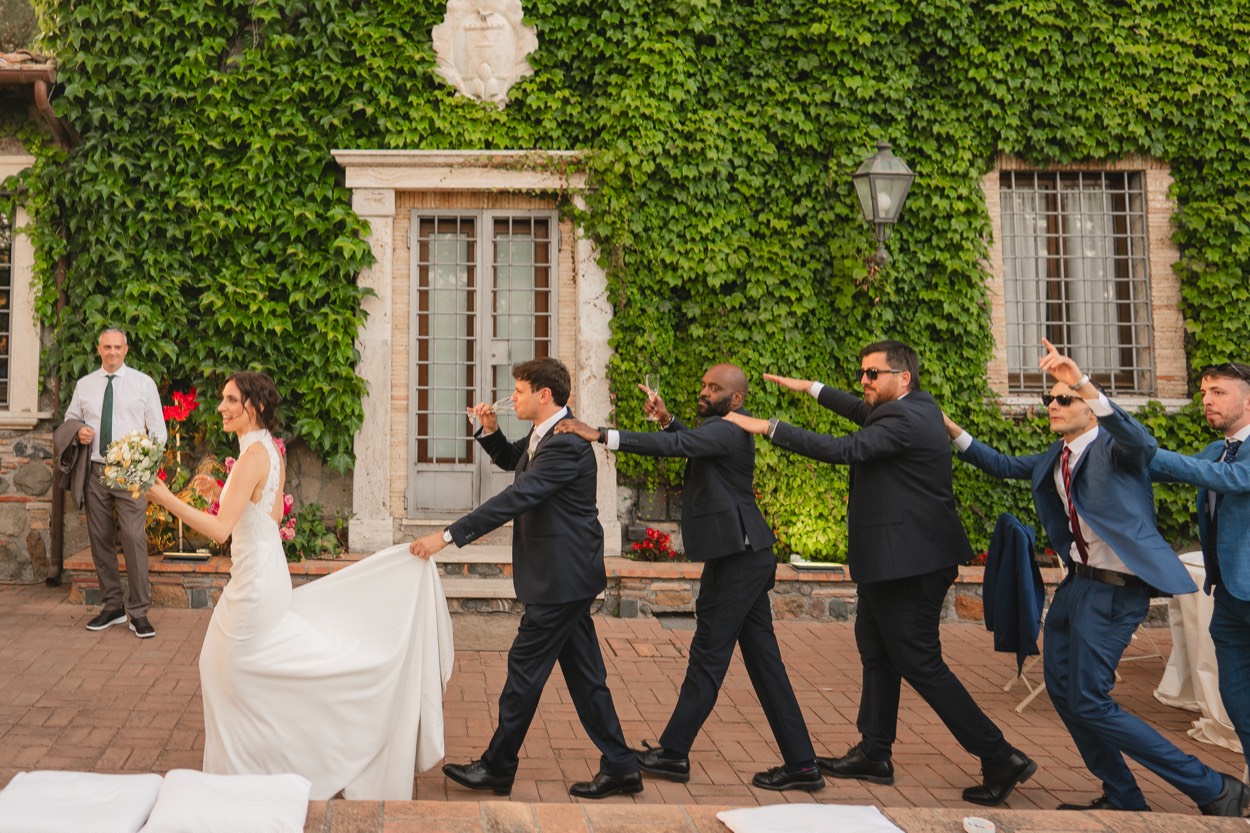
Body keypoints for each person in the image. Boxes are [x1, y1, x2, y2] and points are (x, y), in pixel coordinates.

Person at [722, 339, 1035, 807]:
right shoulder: (912, 407)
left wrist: (768, 426)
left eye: (873, 373)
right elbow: (859, 410)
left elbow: (843, 448)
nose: (864, 381)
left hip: (910, 566)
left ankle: (1000, 755)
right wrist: (811, 387)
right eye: (862, 372)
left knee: (919, 662)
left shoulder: (904, 419)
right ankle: (874, 752)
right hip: (893, 562)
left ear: (903, 377)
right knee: (876, 650)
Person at [944, 340, 1248, 816]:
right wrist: (950, 428)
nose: (1053, 405)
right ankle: (1122, 794)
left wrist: (1083, 381)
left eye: (1065, 398)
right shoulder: (1056, 455)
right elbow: (1000, 465)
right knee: (1065, 694)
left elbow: (1142, 444)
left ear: (1090, 407)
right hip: (1076, 586)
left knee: (1089, 698)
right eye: (1049, 398)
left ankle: (1213, 787)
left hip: (1115, 589)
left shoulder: (1118, 449)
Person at [147, 371, 453, 800]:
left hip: (255, 581)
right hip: (265, 570)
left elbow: (219, 530)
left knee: (227, 669)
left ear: (254, 406)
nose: (221, 408)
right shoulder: (270, 448)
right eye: (223, 399)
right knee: (235, 671)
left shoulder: (252, 456)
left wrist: (166, 499)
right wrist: (227, 502)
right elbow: (270, 517)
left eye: (231, 400)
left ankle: (253, 771)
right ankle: (256, 764)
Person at [554, 364, 824, 792]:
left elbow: (677, 447)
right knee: (764, 665)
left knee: (708, 657)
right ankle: (801, 764)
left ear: (736, 399)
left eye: (714, 388)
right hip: (742, 557)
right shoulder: (721, 430)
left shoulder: (729, 429)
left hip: (739, 562)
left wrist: (601, 434)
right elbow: (690, 442)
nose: (704, 391)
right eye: (703, 384)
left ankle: (675, 752)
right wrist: (667, 419)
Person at [409, 357, 642, 800]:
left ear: (544, 395)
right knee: (586, 677)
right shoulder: (546, 434)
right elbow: (512, 460)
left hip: (560, 578)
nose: (511, 397)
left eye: (518, 391)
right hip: (567, 577)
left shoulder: (566, 444)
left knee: (524, 671)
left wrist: (447, 536)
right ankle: (622, 766)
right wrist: (490, 430)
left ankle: (498, 767)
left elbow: (518, 496)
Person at [1149, 361, 1250, 777]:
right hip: (1228, 599)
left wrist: (1150, 451)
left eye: (1219, 392)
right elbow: (1159, 468)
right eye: (1204, 393)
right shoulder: (1216, 451)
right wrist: (1106, 434)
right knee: (1236, 700)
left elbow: (1228, 479)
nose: (1207, 400)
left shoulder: (1228, 462)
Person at [65, 328, 167, 638]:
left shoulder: (143, 383)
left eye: (117, 347)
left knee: (134, 538)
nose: (112, 352)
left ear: (125, 350)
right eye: (107, 347)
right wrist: (79, 430)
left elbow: (158, 432)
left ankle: (139, 612)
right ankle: (112, 607)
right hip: (95, 471)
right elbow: (70, 419)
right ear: (99, 349)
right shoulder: (84, 385)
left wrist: (144, 467)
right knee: (100, 539)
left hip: (130, 474)